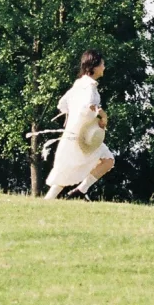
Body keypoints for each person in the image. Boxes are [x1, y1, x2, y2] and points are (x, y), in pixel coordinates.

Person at [43, 51, 115, 199]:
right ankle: (68, 195)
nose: (104, 67)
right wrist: (103, 116)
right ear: (94, 66)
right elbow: (89, 106)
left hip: (81, 134)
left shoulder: (79, 84)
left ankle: (79, 191)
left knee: (106, 160)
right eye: (102, 64)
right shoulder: (88, 86)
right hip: (82, 137)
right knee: (66, 171)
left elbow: (62, 104)